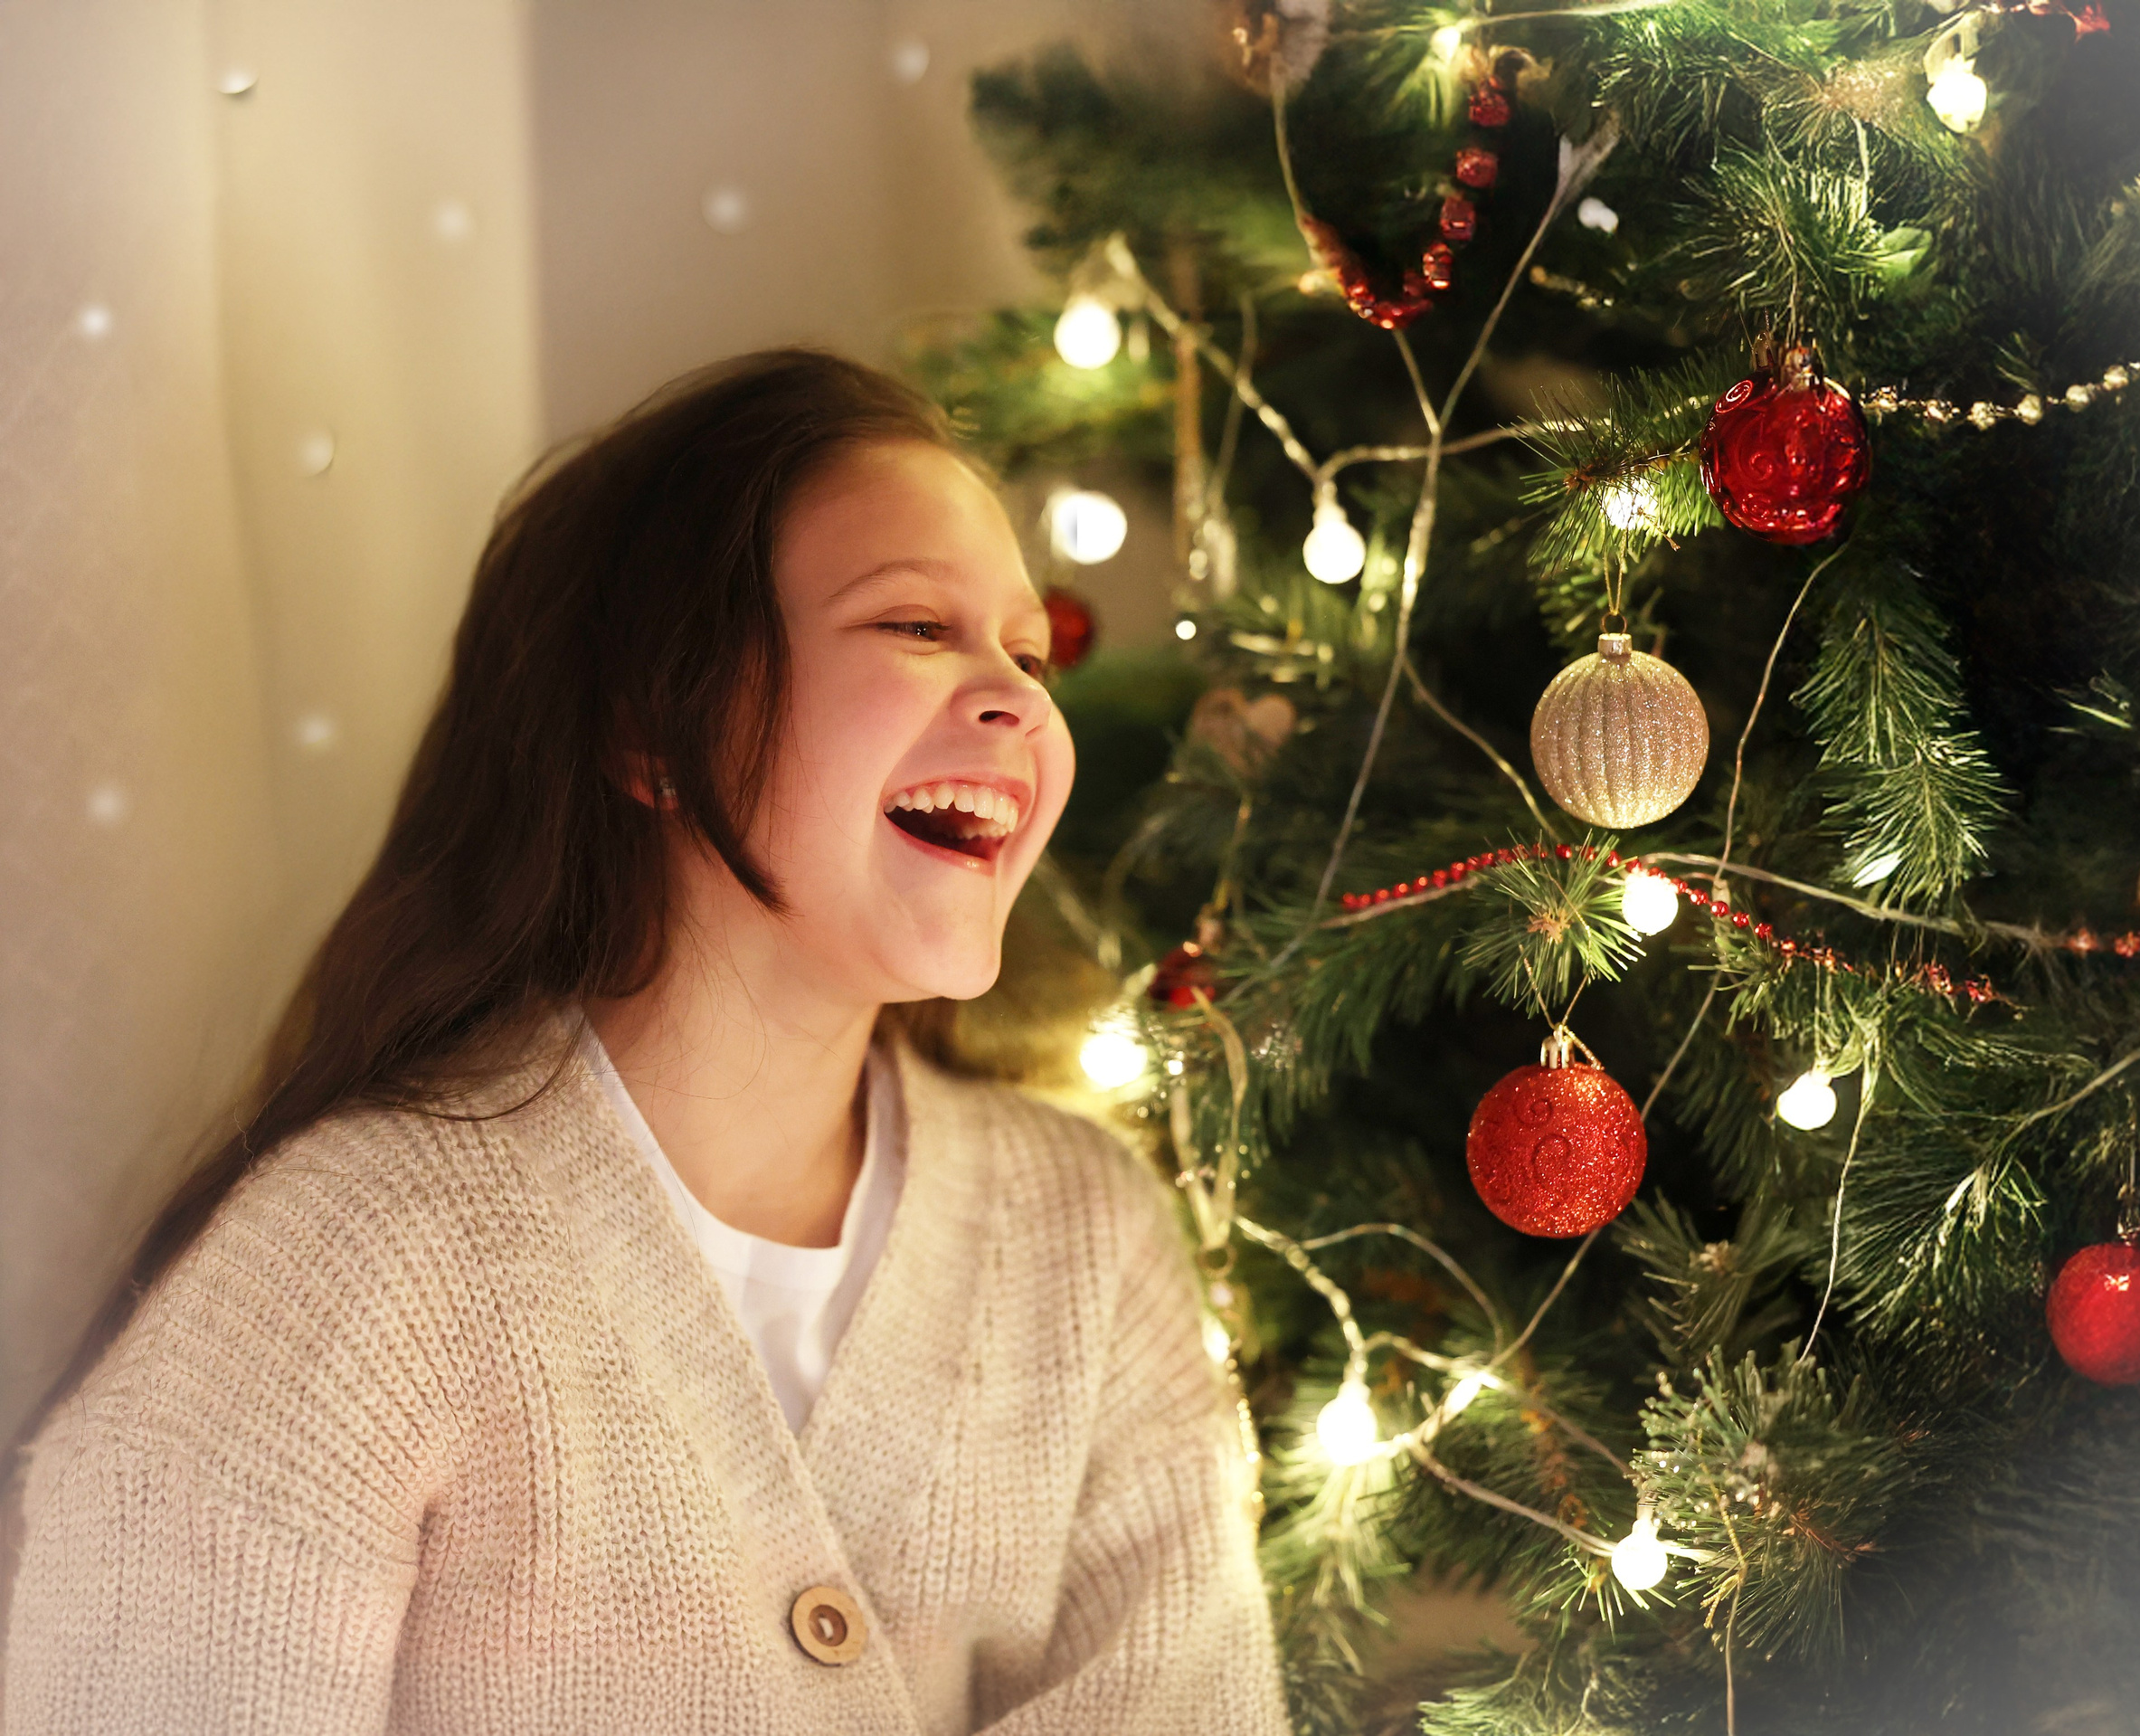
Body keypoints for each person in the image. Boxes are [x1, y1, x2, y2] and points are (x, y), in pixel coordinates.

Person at [5, 351, 1289, 1735]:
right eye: (916, 626)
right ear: (647, 727)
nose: (1017, 701)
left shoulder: (1086, 1243)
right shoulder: (345, 1270)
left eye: (1029, 655)